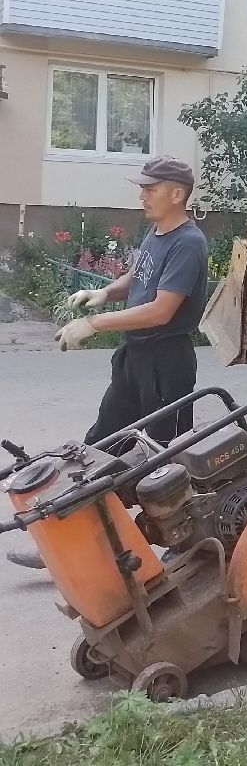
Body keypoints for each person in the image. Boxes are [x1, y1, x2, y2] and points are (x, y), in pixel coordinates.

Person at [8, 156, 208, 570]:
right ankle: (71, 545)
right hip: (135, 357)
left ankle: (186, 548)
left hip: (166, 362)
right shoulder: (158, 232)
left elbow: (161, 311)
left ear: (177, 194)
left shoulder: (189, 243)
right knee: (100, 446)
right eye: (142, 188)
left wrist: (94, 324)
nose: (142, 196)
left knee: (166, 460)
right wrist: (104, 293)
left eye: (150, 189)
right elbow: (138, 278)